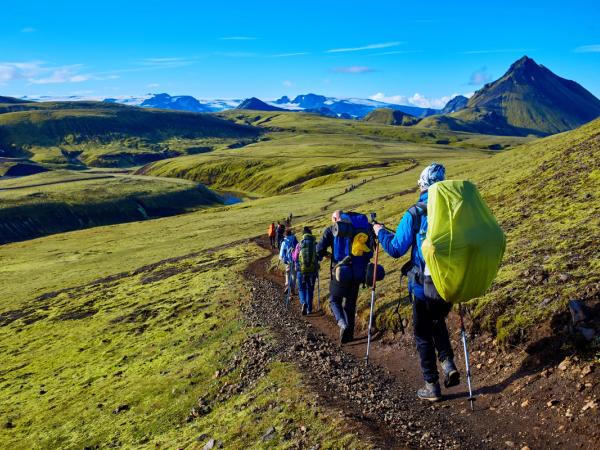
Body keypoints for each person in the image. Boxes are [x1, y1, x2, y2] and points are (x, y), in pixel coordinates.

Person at [373, 163, 460, 402]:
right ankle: (448, 363)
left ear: (422, 185)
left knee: (422, 333)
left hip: (422, 285)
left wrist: (380, 231)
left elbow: (395, 248)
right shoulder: (453, 208)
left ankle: (431, 386)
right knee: (437, 319)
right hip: (448, 281)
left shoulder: (415, 212)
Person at [317, 210, 373, 343]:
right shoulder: (361, 228)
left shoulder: (331, 230)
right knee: (350, 304)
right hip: (358, 272)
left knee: (334, 301)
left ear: (336, 218)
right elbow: (370, 251)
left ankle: (342, 324)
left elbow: (319, 249)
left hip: (340, 271)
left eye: (333, 219)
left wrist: (325, 255)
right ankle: (349, 336)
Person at [291, 226, 318, 315]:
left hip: (300, 271)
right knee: (310, 289)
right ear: (310, 234)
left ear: (303, 235)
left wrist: (292, 252)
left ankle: (303, 303)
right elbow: (318, 257)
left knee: (301, 289)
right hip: (312, 271)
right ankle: (309, 309)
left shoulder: (299, 244)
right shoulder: (315, 244)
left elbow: (295, 258)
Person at [279, 229, 298, 294]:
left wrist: (282, 259)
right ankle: (292, 289)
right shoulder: (294, 239)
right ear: (291, 233)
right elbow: (298, 249)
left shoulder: (284, 241)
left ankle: (287, 285)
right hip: (294, 260)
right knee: (294, 275)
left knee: (287, 273)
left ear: (285, 234)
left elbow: (281, 253)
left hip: (287, 261)